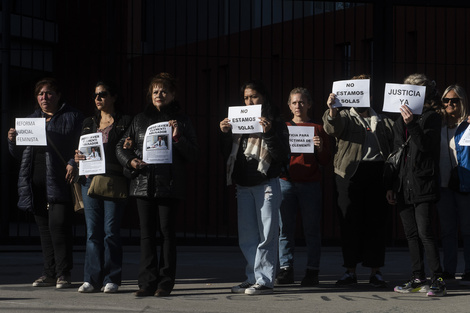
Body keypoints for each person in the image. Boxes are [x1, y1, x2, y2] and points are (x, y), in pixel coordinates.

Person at [116, 73, 198, 297]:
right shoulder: (139, 119)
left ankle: (165, 282)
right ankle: (146, 282)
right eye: (155, 92)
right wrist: (130, 159)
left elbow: (193, 154)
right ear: (150, 96)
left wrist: (178, 137)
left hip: (169, 184)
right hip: (143, 184)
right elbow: (121, 147)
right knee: (146, 235)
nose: (159, 95)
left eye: (163, 91)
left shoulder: (182, 120)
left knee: (167, 234)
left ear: (172, 95)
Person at [7, 77, 84, 288]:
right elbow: (19, 154)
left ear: (58, 95)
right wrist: (12, 141)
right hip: (35, 182)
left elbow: (81, 144)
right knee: (44, 230)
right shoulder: (31, 120)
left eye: (49, 93)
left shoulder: (73, 117)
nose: (44, 97)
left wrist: (72, 163)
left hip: (60, 180)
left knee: (59, 226)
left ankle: (64, 273)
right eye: (40, 94)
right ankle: (49, 272)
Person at [322, 74, 393, 288]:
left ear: (370, 95)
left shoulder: (383, 119)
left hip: (377, 173)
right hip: (348, 175)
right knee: (349, 223)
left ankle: (375, 272)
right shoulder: (343, 115)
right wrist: (332, 109)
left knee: (376, 223)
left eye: (366, 91)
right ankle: (350, 271)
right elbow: (331, 127)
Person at [219, 80, 290, 295]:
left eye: (254, 96)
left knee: (267, 235)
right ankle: (252, 277)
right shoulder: (238, 124)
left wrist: (268, 133)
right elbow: (227, 155)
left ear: (264, 98)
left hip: (266, 184)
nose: (249, 101)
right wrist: (224, 133)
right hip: (243, 185)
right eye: (246, 98)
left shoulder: (275, 122)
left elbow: (282, 156)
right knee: (248, 236)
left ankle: (265, 280)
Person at [386, 73, 446, 297]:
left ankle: (438, 279)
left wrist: (412, 124)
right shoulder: (397, 122)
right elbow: (396, 155)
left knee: (425, 232)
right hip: (403, 184)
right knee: (411, 234)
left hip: (423, 183)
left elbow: (426, 147)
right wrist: (391, 185)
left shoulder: (431, 117)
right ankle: (417, 277)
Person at [74, 81, 132, 293]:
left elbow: (127, 149)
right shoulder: (89, 122)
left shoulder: (125, 121)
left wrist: (129, 146)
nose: (97, 99)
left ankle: (111, 278)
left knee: (110, 231)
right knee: (92, 232)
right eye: (95, 95)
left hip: (113, 180)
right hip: (89, 179)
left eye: (103, 94)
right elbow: (81, 147)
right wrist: (78, 156)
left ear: (114, 97)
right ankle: (91, 278)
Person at [275, 87, 331, 286]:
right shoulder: (282, 127)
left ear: (309, 104)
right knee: (284, 229)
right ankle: (285, 269)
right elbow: (274, 156)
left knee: (312, 230)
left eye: (302, 102)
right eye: (294, 102)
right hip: (285, 182)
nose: (298, 106)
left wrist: (321, 148)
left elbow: (324, 161)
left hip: (310, 184)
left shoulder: (318, 127)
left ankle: (312, 271)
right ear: (289, 105)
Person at [435, 84, 470, 285]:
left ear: (462, 102)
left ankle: (468, 269)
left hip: (465, 184)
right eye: (446, 101)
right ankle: (449, 269)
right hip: (443, 184)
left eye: (454, 100)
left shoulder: (468, 125)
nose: (449, 104)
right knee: (447, 230)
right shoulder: (437, 125)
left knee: (467, 229)